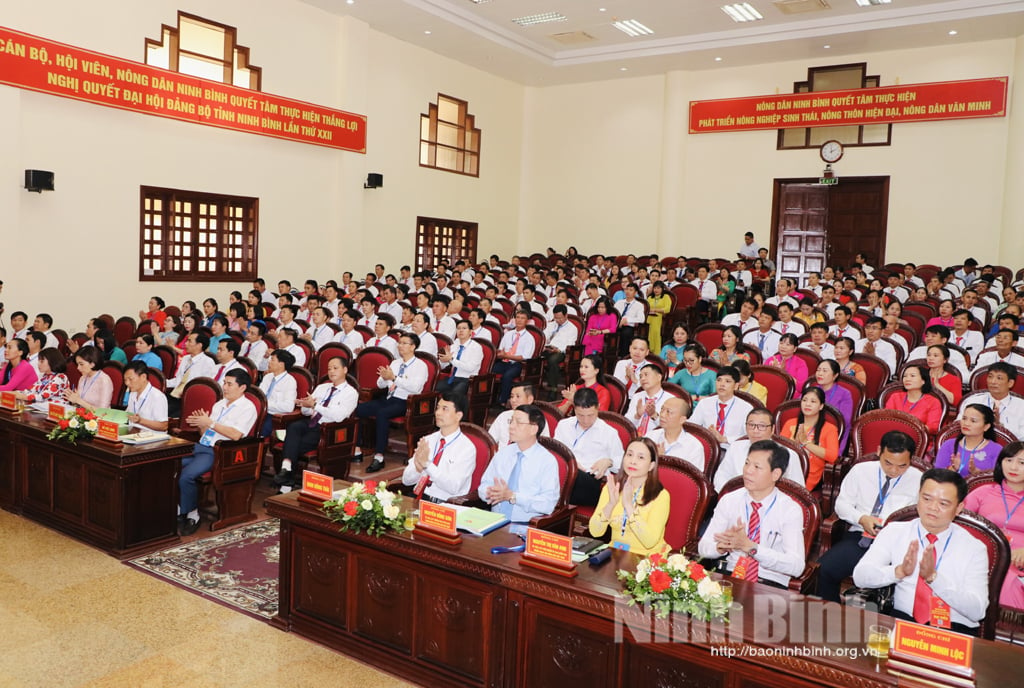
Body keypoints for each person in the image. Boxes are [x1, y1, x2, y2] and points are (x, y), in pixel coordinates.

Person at [853, 469, 988, 635]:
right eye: (926, 499)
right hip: (903, 621)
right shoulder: (895, 531)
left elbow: (978, 611)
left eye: (943, 504)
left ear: (959, 508)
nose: (933, 508)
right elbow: (860, 577)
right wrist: (898, 571)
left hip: (954, 629)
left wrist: (934, 579)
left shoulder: (974, 548)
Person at [817, 431, 922, 602]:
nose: (894, 470)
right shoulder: (860, 471)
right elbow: (842, 505)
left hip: (896, 544)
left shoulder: (919, 479)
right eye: (888, 463)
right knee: (824, 570)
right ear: (879, 451)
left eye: (902, 466)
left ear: (911, 460)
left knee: (903, 585)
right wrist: (862, 519)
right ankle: (831, 616)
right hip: (860, 536)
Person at [699, 440, 806, 588]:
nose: (748, 470)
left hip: (769, 583)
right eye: (747, 463)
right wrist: (720, 548)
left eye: (757, 467)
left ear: (775, 474)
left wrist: (752, 548)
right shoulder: (730, 500)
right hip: (731, 575)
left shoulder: (790, 509)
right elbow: (703, 546)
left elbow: (797, 566)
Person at [177, 369, 258, 535]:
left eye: (229, 384)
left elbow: (236, 435)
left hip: (221, 452)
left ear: (242, 387)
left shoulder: (247, 408)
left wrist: (210, 423)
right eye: (224, 383)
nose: (225, 387)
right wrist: (201, 424)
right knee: (169, 465)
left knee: (186, 475)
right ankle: (179, 508)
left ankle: (192, 514)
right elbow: (206, 434)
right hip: (202, 446)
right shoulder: (219, 404)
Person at [273, 355, 359, 490]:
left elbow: (338, 416)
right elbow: (306, 412)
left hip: (328, 429)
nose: (331, 371)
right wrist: (305, 405)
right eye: (329, 368)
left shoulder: (351, 393)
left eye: (335, 368)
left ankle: (286, 481)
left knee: (291, 444)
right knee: (294, 426)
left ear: (345, 370)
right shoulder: (322, 387)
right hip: (311, 422)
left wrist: (315, 405)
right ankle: (287, 470)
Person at [478, 404, 560, 533]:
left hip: (526, 526)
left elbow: (547, 504)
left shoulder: (547, 461)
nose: (511, 426)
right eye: (511, 421)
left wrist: (513, 496)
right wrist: (490, 493)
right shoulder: (503, 454)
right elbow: (483, 485)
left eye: (519, 422)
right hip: (494, 523)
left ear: (533, 429)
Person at [357, 333, 429, 473]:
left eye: (404, 343)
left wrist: (394, 378)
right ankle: (358, 449)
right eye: (399, 343)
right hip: (389, 397)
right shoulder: (395, 363)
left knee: (382, 413)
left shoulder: (420, 366)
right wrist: (385, 378)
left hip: (406, 401)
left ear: (413, 347)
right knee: (359, 409)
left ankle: (379, 456)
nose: (400, 346)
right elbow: (380, 384)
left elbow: (416, 388)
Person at [963, 443, 1024, 608]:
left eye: (1022, 463)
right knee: (1004, 577)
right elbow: (960, 524)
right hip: (984, 556)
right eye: (1009, 460)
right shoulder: (983, 492)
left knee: (1007, 577)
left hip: (1020, 561)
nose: (1013, 467)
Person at [589, 437, 671, 556]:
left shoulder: (660, 495)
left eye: (640, 457)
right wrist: (611, 504)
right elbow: (595, 532)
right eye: (629, 455)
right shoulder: (612, 488)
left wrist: (628, 506)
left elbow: (650, 542)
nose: (632, 461)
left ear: (651, 466)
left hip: (647, 558)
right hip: (616, 553)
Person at [400, 392, 476, 503]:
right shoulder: (428, 440)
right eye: (438, 408)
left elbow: (454, 487)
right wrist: (418, 468)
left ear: (458, 416)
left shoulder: (466, 448)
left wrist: (427, 465)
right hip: (419, 499)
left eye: (445, 409)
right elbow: (406, 480)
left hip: (447, 505)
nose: (438, 413)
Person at [555, 388, 625, 506]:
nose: (586, 420)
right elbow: (556, 455)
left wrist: (609, 461)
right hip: (565, 476)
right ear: (574, 408)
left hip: (591, 481)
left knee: (574, 476)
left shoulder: (609, 432)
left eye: (590, 415)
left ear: (598, 407)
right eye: (580, 415)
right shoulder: (564, 425)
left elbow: (622, 464)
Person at [781, 388, 840, 491]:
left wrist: (805, 443)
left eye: (813, 401)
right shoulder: (790, 423)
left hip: (808, 475)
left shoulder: (829, 429)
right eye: (804, 400)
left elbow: (832, 456)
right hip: (785, 469)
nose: (807, 404)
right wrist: (795, 444)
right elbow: (780, 449)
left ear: (821, 406)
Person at [689, 367, 755, 447]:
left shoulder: (746, 408)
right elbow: (692, 426)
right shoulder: (704, 403)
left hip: (733, 449)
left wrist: (725, 439)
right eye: (719, 380)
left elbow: (749, 436)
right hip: (707, 448)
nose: (722, 384)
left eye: (727, 381)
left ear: (736, 386)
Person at [959, 362, 1024, 440]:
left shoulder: (1021, 406)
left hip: (1010, 450)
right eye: (990, 376)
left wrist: (1001, 428)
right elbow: (958, 426)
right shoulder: (972, 401)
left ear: (1010, 383)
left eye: (999, 378)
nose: (993, 382)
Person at [934, 404, 1001, 476]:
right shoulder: (948, 445)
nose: (966, 423)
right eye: (964, 418)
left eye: (973, 421)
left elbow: (998, 480)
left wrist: (979, 474)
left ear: (986, 426)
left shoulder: (996, 450)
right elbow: (937, 477)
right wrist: (953, 469)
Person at [646, 397, 706, 471]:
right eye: (662, 409)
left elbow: (692, 480)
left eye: (668, 412)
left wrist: (661, 461)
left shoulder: (694, 447)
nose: (662, 415)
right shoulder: (650, 436)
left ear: (682, 419)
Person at [492, 310, 535, 407]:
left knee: (507, 376)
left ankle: (503, 402)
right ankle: (491, 399)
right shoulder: (508, 334)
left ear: (527, 321)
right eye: (517, 317)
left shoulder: (529, 338)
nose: (519, 320)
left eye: (522, 318)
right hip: (504, 361)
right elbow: (500, 350)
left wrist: (506, 355)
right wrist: (500, 355)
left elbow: (524, 358)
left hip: (518, 364)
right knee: (490, 370)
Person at [884, 365, 943, 434]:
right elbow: (886, 418)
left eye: (912, 376)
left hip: (919, 439)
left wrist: (910, 430)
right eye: (905, 376)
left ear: (923, 381)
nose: (907, 379)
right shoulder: (895, 397)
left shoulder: (933, 402)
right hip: (894, 436)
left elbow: (933, 427)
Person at [812, 359, 853, 451]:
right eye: (818, 370)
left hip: (833, 434)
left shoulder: (844, 394)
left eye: (824, 371)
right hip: (810, 431)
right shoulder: (812, 390)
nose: (820, 373)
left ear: (835, 375)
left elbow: (844, 421)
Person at [438, 319, 484, 398]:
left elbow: (470, 368)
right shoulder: (454, 345)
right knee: (433, 390)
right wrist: (443, 360)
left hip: (467, 379)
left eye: (464, 328)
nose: (461, 331)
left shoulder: (476, 348)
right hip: (451, 378)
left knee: (454, 395)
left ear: (470, 331)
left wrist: (451, 359)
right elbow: (442, 366)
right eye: (458, 328)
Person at [258, 349, 298, 437]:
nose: (269, 361)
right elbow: (259, 395)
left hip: (273, 416)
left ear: (281, 364)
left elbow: (289, 407)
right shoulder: (268, 377)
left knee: (259, 431)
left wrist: (266, 404)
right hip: (260, 411)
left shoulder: (290, 381)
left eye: (272, 359)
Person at [541, 305, 579, 399]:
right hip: (549, 348)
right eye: (556, 318)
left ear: (566, 316)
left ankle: (553, 389)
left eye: (560, 318)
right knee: (535, 355)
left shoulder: (572, 328)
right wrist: (544, 346)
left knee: (553, 360)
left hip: (561, 351)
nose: (558, 320)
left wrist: (558, 349)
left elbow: (571, 344)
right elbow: (544, 336)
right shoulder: (551, 324)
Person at [122, 360, 169, 431]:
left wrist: (140, 421)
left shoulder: (157, 397)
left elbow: (163, 426)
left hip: (152, 437)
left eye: (130, 379)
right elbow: (127, 415)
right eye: (125, 380)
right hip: (134, 433)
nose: (127, 383)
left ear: (143, 377)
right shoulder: (132, 393)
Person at [63, 347, 113, 411]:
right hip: (83, 415)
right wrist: (73, 400)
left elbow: (103, 411)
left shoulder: (104, 380)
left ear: (92, 364)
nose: (78, 368)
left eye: (81, 364)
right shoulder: (82, 378)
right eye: (77, 364)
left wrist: (78, 400)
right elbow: (78, 404)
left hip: (99, 418)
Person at [629, 364, 670, 434]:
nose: (643, 379)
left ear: (659, 377)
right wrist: (637, 415)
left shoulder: (670, 399)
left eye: (646, 375)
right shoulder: (637, 396)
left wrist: (654, 415)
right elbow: (626, 423)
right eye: (640, 376)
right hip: (635, 439)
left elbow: (671, 428)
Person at [925, 344, 962, 408]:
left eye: (935, 355)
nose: (930, 358)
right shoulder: (920, 374)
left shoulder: (953, 379)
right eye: (929, 355)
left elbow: (955, 402)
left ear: (945, 360)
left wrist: (937, 385)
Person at [645, 281, 671, 353]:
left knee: (655, 323)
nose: (656, 290)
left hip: (660, 317)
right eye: (655, 288)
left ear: (662, 289)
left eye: (658, 288)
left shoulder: (666, 297)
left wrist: (656, 310)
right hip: (649, 317)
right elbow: (646, 308)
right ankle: (648, 349)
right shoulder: (650, 297)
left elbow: (667, 309)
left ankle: (656, 351)